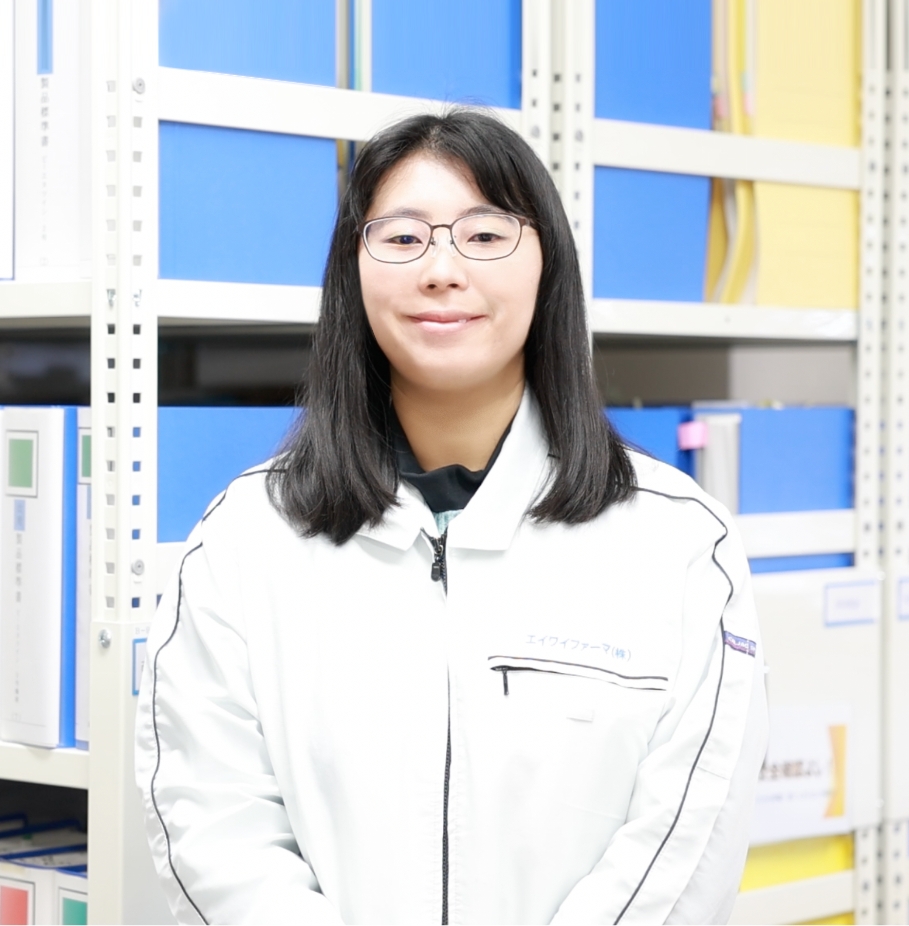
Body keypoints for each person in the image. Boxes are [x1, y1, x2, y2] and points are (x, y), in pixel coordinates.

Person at [135, 107, 768, 925]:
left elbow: (687, 841)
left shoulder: (678, 543)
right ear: (351, 270)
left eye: (484, 234)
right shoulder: (246, 537)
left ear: (547, 265)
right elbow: (211, 824)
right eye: (401, 237)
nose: (441, 269)